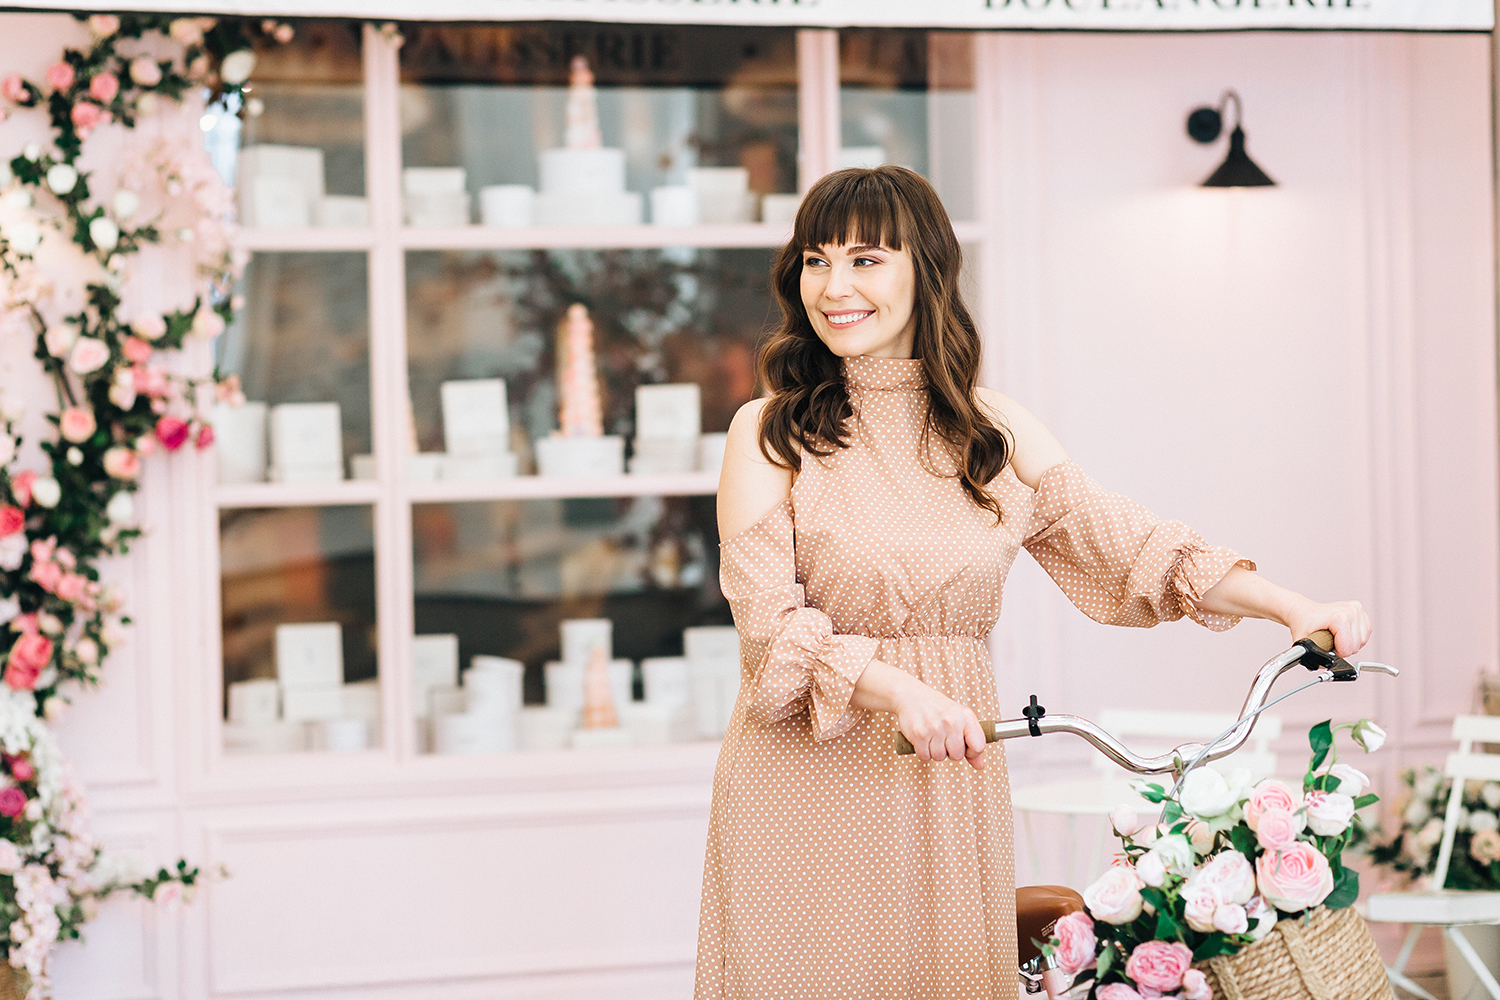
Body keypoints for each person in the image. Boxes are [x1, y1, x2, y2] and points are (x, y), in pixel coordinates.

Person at [693, 165, 1372, 1000]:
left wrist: (1291, 606)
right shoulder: (769, 432)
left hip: (947, 772)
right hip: (804, 779)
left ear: (926, 270)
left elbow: (1134, 549)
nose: (834, 287)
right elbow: (770, 628)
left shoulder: (991, 430)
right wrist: (901, 691)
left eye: (866, 260)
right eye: (816, 260)